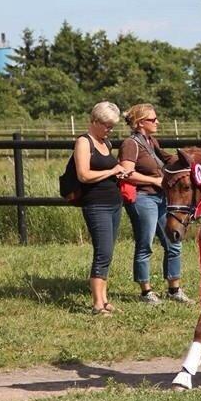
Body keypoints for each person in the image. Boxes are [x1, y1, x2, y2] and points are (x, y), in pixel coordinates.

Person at [119, 104, 190, 304]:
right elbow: (127, 172)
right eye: (153, 119)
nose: (157, 122)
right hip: (144, 199)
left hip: (160, 198)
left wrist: (191, 157)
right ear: (140, 123)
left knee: (173, 242)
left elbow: (167, 158)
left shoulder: (151, 141)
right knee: (146, 245)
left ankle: (174, 289)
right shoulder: (130, 144)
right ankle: (146, 291)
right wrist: (153, 181)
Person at [75, 102, 128, 316]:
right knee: (102, 251)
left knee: (108, 252)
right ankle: (97, 304)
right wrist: (112, 170)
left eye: (112, 126)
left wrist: (118, 173)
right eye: (106, 125)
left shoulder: (106, 142)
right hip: (96, 204)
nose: (110, 130)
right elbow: (84, 175)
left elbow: (106, 169)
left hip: (114, 202)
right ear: (94, 122)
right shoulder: (83, 142)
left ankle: (104, 300)